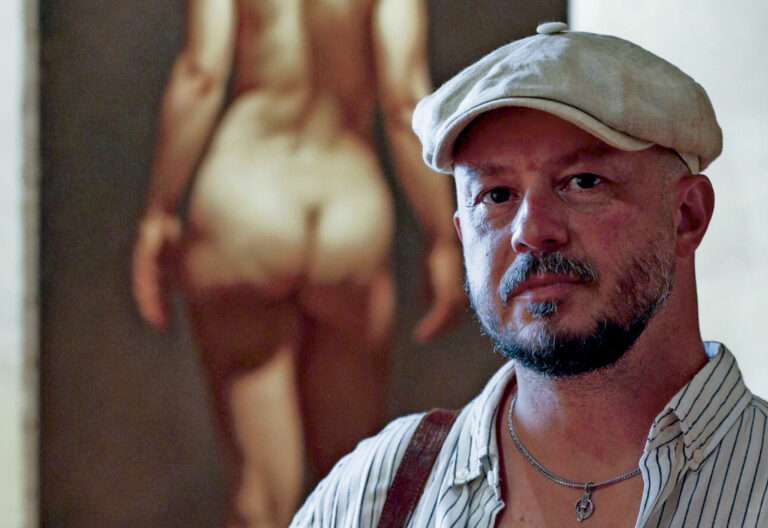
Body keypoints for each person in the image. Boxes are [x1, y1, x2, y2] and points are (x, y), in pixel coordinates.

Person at [289, 22, 768, 527]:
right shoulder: (375, 492)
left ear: (687, 216)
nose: (532, 231)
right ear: (463, 235)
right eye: (497, 195)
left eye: (584, 182)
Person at [131, 0, 465, 526]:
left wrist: (158, 211)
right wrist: (443, 237)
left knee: (260, 498)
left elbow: (200, 73)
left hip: (248, 198)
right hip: (346, 205)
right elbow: (404, 98)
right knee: (354, 492)